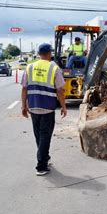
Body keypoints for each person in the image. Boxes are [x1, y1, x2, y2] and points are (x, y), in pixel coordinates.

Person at [21, 43, 67, 176]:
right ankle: (41, 166)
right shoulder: (54, 68)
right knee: (45, 137)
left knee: (39, 136)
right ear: (49, 53)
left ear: (39, 53)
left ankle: (45, 158)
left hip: (34, 106)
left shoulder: (30, 67)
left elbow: (24, 88)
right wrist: (63, 106)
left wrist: (24, 106)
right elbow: (60, 90)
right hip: (47, 107)